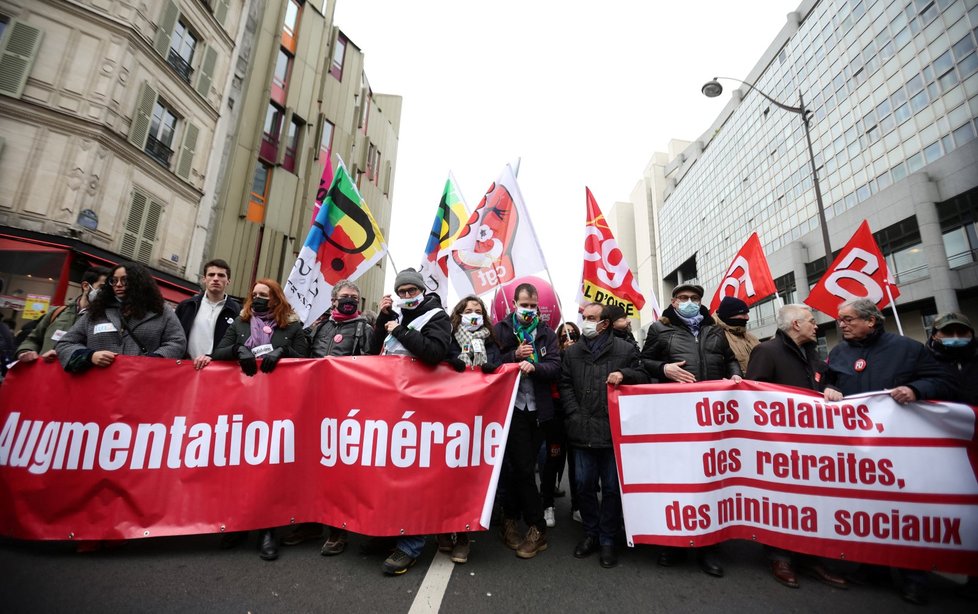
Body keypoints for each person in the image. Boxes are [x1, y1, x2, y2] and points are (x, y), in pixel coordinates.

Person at [823, 298, 953, 605]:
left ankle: (914, 578)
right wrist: (828, 389)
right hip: (857, 451)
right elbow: (827, 382)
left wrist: (916, 390)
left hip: (899, 450)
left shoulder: (908, 349)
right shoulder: (838, 352)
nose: (842, 324)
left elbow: (944, 382)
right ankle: (873, 568)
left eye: (848, 319)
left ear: (871, 321)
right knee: (867, 511)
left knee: (905, 513)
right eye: (840, 320)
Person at [640, 282, 741, 577]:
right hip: (677, 419)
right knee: (677, 480)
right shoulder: (660, 330)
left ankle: (709, 547)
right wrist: (664, 369)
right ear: (673, 301)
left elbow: (731, 360)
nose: (689, 302)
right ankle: (673, 542)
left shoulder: (715, 330)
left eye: (694, 298)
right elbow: (643, 361)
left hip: (712, 419)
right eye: (683, 298)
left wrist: (734, 376)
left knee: (709, 480)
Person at [745, 304, 847, 590]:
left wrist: (830, 390)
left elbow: (823, 383)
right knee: (781, 502)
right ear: (795, 324)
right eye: (811, 321)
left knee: (812, 501)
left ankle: (811, 557)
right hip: (779, 446)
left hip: (813, 446)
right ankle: (780, 557)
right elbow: (754, 397)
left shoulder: (813, 354)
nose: (817, 325)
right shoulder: (767, 352)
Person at [212, 278, 309, 561]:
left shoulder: (291, 325)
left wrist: (283, 352)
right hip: (244, 405)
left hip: (279, 406)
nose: (258, 298)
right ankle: (241, 522)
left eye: (264, 295)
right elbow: (218, 352)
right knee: (242, 465)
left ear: (276, 298)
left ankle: (267, 529)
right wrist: (236, 351)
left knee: (269, 467)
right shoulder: (240, 323)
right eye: (254, 294)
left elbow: (304, 357)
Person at [368, 267, 452, 575]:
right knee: (388, 473)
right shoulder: (397, 317)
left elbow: (434, 352)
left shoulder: (436, 317)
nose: (406, 296)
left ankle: (411, 543)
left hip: (422, 409)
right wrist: (383, 319)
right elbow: (372, 352)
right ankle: (390, 531)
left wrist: (400, 331)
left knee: (415, 476)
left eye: (411, 291)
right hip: (391, 407)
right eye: (401, 292)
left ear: (421, 290)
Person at [283, 280, 373, 554]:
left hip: (347, 409)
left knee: (341, 470)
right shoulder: (320, 327)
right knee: (311, 468)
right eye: (345, 296)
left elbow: (371, 366)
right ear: (333, 300)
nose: (350, 301)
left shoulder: (364, 329)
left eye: (354, 298)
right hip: (317, 406)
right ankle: (311, 524)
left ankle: (338, 530)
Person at [561, 303, 649, 568]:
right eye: (584, 317)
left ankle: (608, 539)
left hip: (612, 432)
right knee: (584, 486)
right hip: (582, 431)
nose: (586, 322)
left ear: (605, 323)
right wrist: (574, 413)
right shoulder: (573, 352)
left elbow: (643, 375)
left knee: (611, 489)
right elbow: (565, 383)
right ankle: (591, 533)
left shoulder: (625, 349)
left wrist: (625, 374)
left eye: (592, 318)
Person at [494, 282, 561, 560]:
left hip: (538, 410)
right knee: (516, 468)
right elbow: (490, 362)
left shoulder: (547, 334)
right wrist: (513, 357)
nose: (529, 310)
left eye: (534, 306)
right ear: (514, 303)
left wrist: (535, 366)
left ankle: (519, 521)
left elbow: (556, 365)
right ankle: (529, 524)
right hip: (509, 408)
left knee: (524, 467)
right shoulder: (500, 330)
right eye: (525, 305)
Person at [438, 294, 502, 564]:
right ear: (459, 313)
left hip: (480, 416)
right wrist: (451, 362)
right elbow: (437, 359)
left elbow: (501, 364)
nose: (473, 314)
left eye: (478, 310)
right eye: (469, 310)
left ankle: (463, 536)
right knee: (444, 473)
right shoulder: (449, 338)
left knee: (468, 474)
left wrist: (492, 368)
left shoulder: (491, 339)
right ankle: (443, 527)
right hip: (449, 414)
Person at [56, 263, 186, 373]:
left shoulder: (161, 311)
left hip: (142, 385)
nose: (118, 284)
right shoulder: (96, 311)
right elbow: (65, 343)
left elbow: (177, 342)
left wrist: (152, 360)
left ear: (138, 282)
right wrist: (90, 356)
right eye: (114, 280)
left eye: (124, 280)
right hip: (98, 385)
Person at [16, 266, 110, 363]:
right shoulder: (57, 312)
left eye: (109, 289)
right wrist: (26, 351)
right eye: (102, 287)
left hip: (72, 375)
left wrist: (65, 353)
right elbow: (33, 339)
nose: (106, 293)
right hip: (42, 373)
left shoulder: (105, 321)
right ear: (86, 286)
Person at [175, 259, 241, 371]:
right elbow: (174, 338)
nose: (216, 278)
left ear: (228, 281)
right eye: (211, 275)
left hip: (219, 371)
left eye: (221, 275)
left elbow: (238, 344)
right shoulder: (187, 306)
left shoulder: (237, 311)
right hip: (186, 369)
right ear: (204, 279)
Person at [555, 321, 581, 523]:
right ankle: (547, 504)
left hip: (575, 415)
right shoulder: (555, 356)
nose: (568, 339)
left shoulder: (583, 356)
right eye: (564, 336)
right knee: (552, 461)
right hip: (555, 415)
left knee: (576, 463)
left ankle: (577, 505)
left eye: (572, 335)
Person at [714, 296, 759, 373]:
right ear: (729, 315)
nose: (747, 318)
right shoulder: (715, 337)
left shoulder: (752, 338)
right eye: (743, 314)